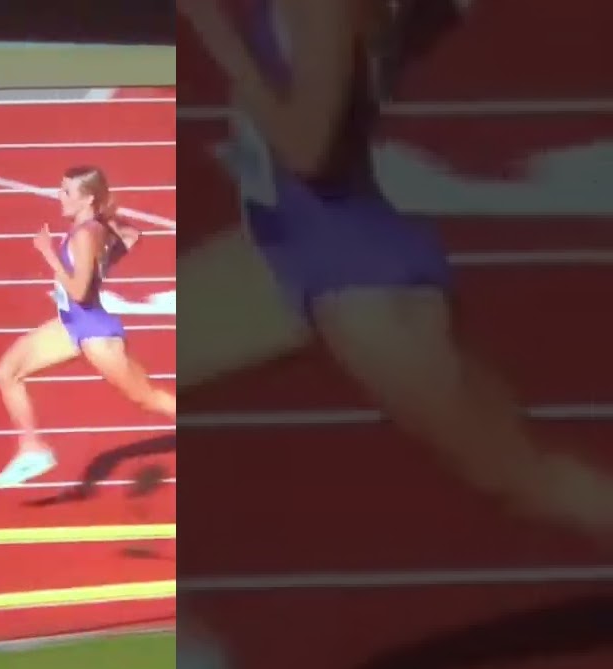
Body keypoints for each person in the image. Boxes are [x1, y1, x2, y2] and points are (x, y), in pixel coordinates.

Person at [175, 0, 613, 535]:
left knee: (525, 478)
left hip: (359, 280)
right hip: (283, 249)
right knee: (113, 367)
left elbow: (306, 151)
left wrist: (222, 42)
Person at [0, 166, 176, 487]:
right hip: (71, 324)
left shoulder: (86, 235)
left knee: (147, 398)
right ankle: (32, 449)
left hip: (95, 333)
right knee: (7, 371)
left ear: (87, 198)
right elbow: (132, 236)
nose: (59, 196)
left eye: (66, 192)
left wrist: (49, 255)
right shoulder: (93, 228)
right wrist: (107, 236)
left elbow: (78, 291)